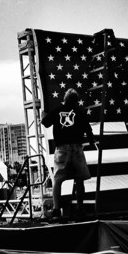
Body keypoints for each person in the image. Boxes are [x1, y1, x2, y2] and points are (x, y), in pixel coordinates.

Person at [41, 88, 96, 219]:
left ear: (65, 98)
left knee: (58, 180)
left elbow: (46, 123)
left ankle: (56, 209)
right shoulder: (79, 112)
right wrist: (92, 142)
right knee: (79, 180)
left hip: (62, 149)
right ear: (76, 100)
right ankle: (80, 208)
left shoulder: (57, 110)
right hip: (76, 148)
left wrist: (43, 115)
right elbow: (88, 130)